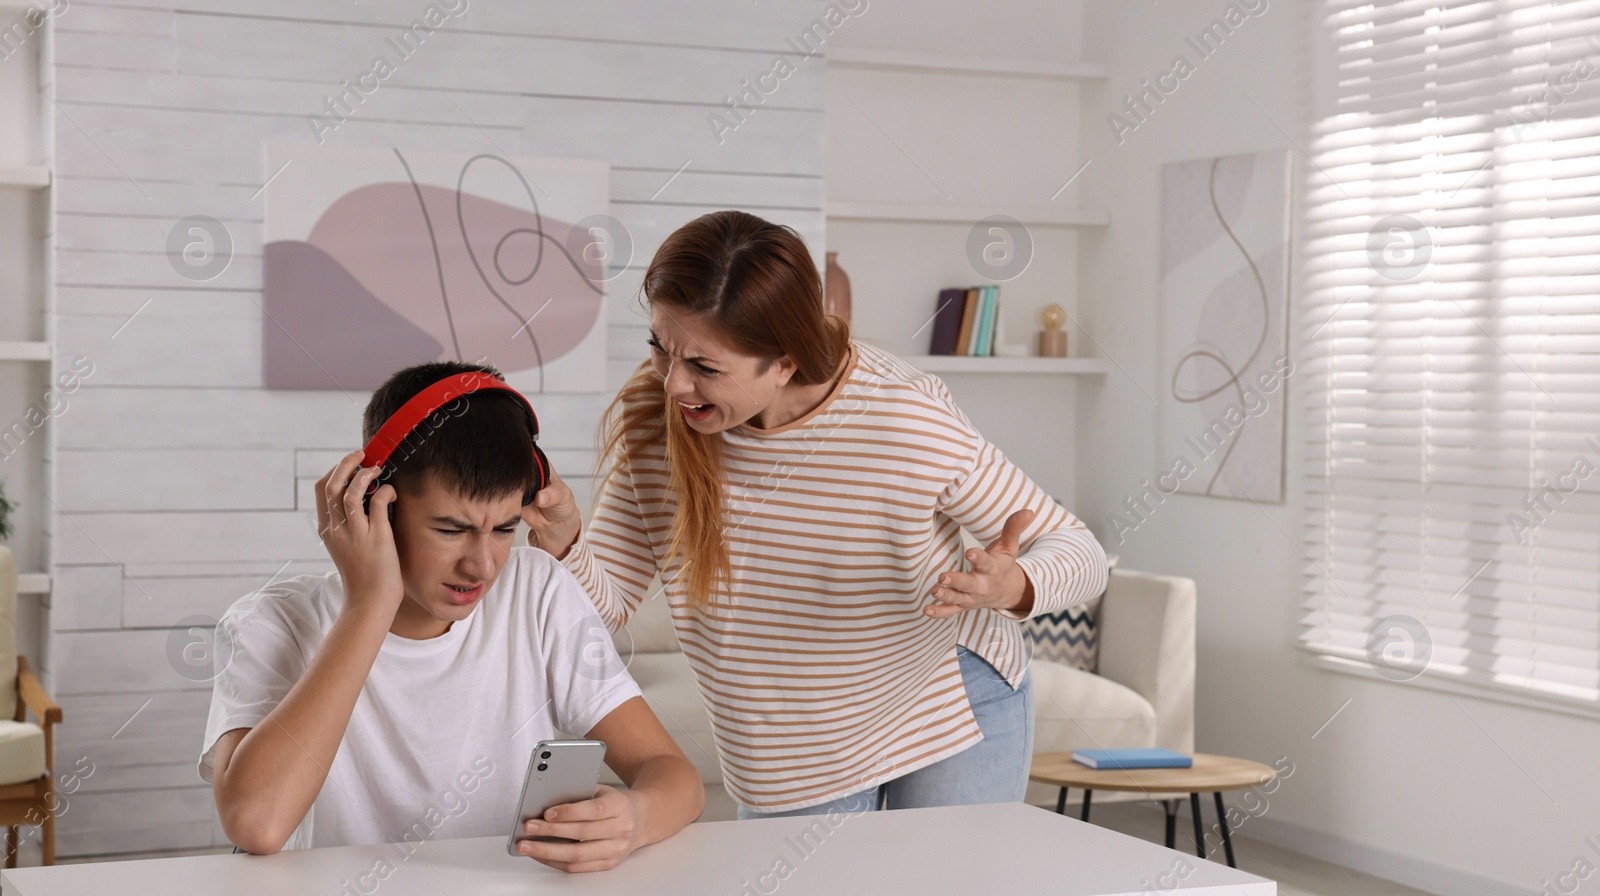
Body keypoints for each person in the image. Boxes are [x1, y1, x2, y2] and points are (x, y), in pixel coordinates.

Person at [523, 210, 1109, 819]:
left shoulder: (902, 415)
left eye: (704, 366)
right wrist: (565, 544)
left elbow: (1079, 551)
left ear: (785, 361)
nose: (673, 384)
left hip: (946, 699)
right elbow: (606, 607)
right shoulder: (656, 428)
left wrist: (1015, 585)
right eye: (660, 349)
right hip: (785, 750)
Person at [198, 362, 703, 872]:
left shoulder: (536, 590)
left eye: (504, 529)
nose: (481, 565)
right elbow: (256, 823)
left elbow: (673, 776)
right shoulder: (268, 623)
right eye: (450, 530)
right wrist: (369, 605)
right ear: (376, 506)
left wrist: (634, 817)